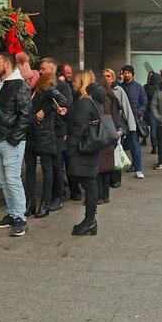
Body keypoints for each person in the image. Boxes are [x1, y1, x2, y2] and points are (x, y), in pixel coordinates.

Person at [0, 51, 33, 237]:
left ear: (7, 64)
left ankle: (20, 218)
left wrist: (14, 138)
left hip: (10, 141)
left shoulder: (19, 85)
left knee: (12, 179)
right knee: (4, 180)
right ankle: (13, 214)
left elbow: (26, 115)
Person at [23, 72, 68, 219]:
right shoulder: (30, 91)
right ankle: (30, 203)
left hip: (45, 134)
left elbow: (63, 100)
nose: (26, 81)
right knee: (29, 169)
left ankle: (45, 203)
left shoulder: (46, 88)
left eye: (28, 79)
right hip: (30, 133)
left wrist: (45, 110)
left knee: (47, 168)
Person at [65, 71, 102, 236]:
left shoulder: (84, 102)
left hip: (83, 148)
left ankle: (89, 222)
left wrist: (71, 148)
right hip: (90, 146)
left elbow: (79, 127)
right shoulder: (93, 101)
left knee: (89, 184)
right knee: (89, 183)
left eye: (75, 80)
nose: (73, 83)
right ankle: (90, 221)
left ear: (82, 82)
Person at [40, 57, 73, 209]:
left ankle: (58, 196)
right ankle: (49, 195)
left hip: (58, 131)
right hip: (44, 130)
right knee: (47, 165)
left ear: (52, 69)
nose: (40, 71)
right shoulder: (40, 86)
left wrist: (65, 129)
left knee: (57, 164)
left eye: (43, 68)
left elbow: (67, 108)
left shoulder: (63, 87)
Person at [104, 68, 136, 188]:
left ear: (113, 78)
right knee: (106, 154)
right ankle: (107, 177)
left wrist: (131, 127)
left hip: (116, 126)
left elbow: (126, 107)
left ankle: (116, 179)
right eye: (104, 76)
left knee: (116, 151)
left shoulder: (119, 90)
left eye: (109, 76)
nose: (107, 78)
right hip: (104, 127)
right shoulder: (99, 90)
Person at [96, 74, 123, 204]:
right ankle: (105, 195)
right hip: (111, 135)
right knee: (106, 167)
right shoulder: (112, 98)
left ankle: (100, 196)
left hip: (102, 135)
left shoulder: (102, 101)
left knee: (99, 167)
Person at [118, 64, 148, 179]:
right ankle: (121, 166)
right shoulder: (119, 87)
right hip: (121, 119)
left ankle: (138, 168)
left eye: (128, 73)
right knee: (121, 144)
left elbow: (144, 103)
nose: (126, 75)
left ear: (132, 74)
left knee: (135, 144)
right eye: (124, 73)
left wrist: (137, 112)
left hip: (133, 119)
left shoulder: (139, 87)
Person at [145, 72, 162, 155]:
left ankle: (154, 148)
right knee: (161, 129)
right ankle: (160, 144)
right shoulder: (161, 88)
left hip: (152, 111)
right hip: (161, 112)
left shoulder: (148, 88)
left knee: (153, 130)